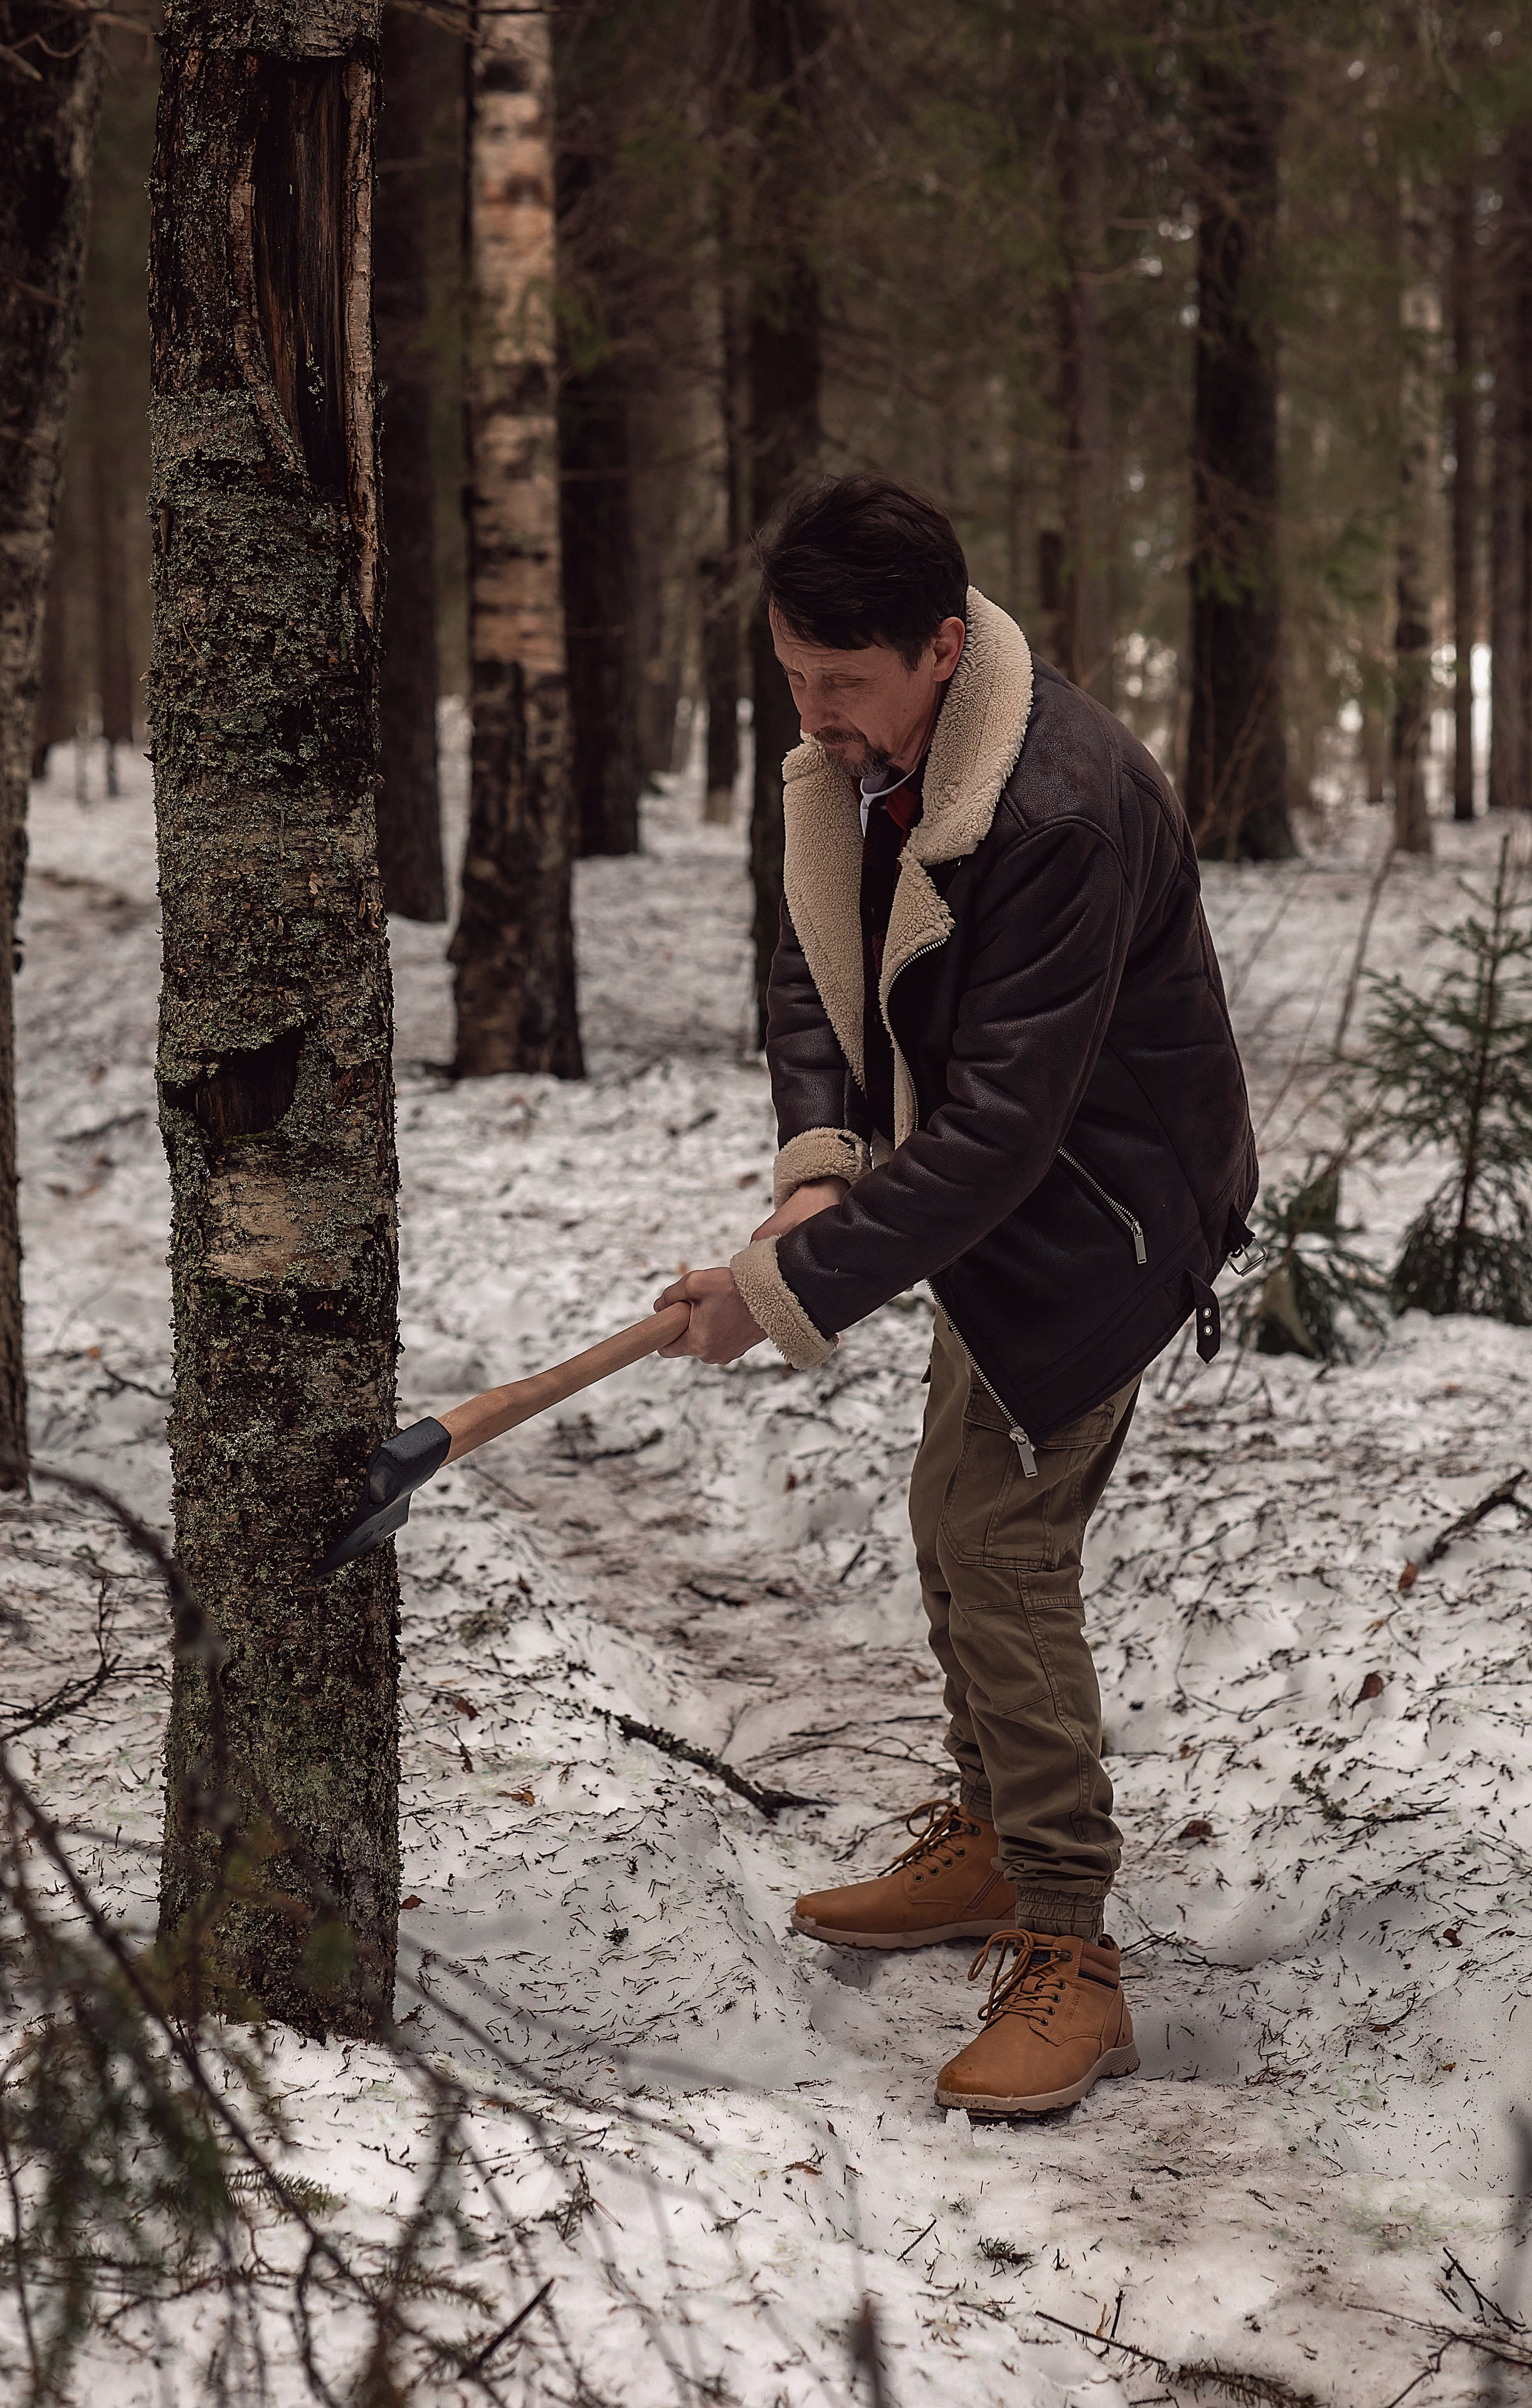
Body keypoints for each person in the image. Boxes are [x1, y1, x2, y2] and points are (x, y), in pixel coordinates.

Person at [655, 473, 1256, 2118]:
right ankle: (992, 1839)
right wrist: (815, 1162)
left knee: (997, 1539)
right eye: (792, 676)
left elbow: (1003, 1132)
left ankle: (1072, 1948)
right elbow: (814, 961)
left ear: (939, 647)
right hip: (982, 1202)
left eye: (841, 682)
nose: (813, 715)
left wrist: (782, 1290)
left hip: (1104, 1221)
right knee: (949, 1514)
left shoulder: (1059, 808)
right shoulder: (866, 758)